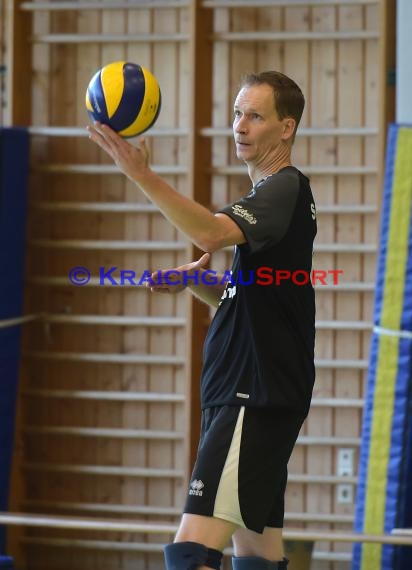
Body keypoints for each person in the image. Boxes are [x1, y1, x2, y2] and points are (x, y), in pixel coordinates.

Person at [88, 70, 317, 570]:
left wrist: (140, 174)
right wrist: (195, 283)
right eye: (237, 113)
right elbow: (253, 301)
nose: (240, 126)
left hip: (251, 394)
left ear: (286, 128)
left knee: (192, 550)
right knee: (256, 552)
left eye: (255, 115)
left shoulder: (283, 189)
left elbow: (211, 234)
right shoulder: (272, 203)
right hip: (252, 392)